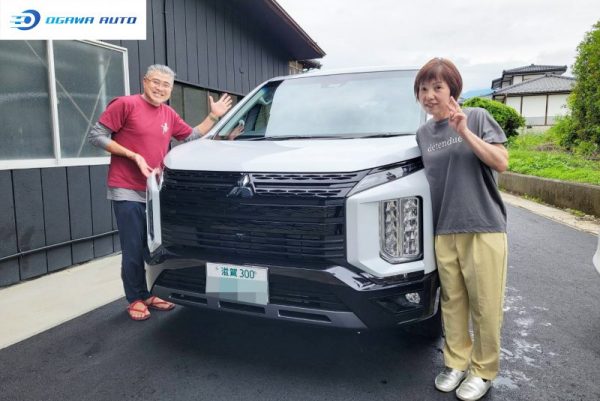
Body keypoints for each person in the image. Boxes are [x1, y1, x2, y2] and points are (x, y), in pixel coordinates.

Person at [88, 64, 233, 321]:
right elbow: (96, 135)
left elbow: (190, 137)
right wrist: (133, 155)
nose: (160, 88)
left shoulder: (168, 113)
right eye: (156, 82)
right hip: (127, 189)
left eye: (166, 85)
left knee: (153, 246)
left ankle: (150, 293)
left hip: (155, 191)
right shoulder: (126, 105)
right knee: (133, 247)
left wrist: (213, 117)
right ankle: (135, 298)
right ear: (145, 81)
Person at [413, 58, 509, 401]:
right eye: (423, 89)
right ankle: (455, 363)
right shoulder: (422, 134)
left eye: (437, 87)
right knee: (453, 302)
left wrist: (465, 132)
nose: (429, 95)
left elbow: (501, 162)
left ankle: (483, 370)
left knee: (485, 304)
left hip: (482, 225)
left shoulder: (477, 117)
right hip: (443, 229)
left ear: (453, 89)